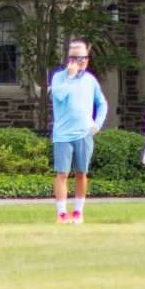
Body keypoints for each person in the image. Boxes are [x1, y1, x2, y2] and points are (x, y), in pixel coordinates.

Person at [46, 38, 109, 225]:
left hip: (84, 134)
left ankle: (78, 212)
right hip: (63, 135)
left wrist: (97, 124)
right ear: (70, 59)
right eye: (77, 57)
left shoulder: (91, 81)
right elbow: (58, 95)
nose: (82, 61)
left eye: (84, 57)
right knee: (62, 174)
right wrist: (71, 77)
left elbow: (102, 103)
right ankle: (62, 213)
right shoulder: (59, 78)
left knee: (81, 173)